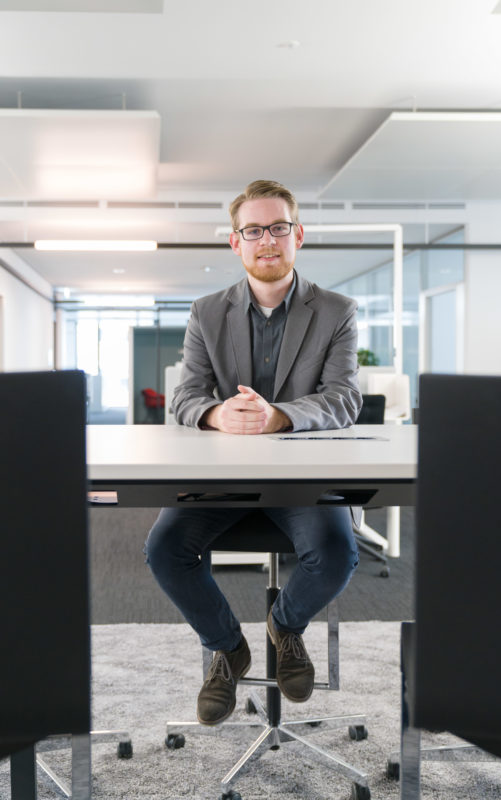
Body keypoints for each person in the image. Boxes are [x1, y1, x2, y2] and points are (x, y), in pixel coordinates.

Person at [144, 179, 362, 727]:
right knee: (164, 548)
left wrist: (282, 416)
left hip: (304, 479)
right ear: (235, 242)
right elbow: (185, 395)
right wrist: (217, 413)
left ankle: (284, 628)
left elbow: (345, 398)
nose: (268, 240)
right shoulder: (206, 311)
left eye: (279, 227)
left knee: (336, 554)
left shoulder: (336, 310)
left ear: (298, 235)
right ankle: (226, 646)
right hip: (225, 476)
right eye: (254, 230)